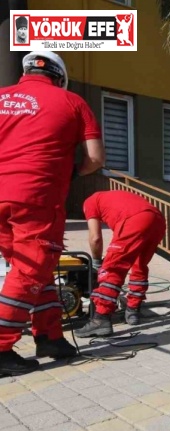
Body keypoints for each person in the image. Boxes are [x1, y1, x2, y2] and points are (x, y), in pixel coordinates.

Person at [0, 51, 105, 375]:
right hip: (35, 195)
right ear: (60, 76)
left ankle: (50, 337)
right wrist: (73, 170)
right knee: (29, 273)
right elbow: (95, 158)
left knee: (34, 270)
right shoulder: (72, 102)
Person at [75, 191, 166, 337]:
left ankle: (101, 319)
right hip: (157, 220)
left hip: (135, 220)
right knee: (139, 264)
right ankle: (133, 310)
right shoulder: (113, 197)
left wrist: (97, 263)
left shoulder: (90, 202)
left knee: (112, 268)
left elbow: (95, 238)